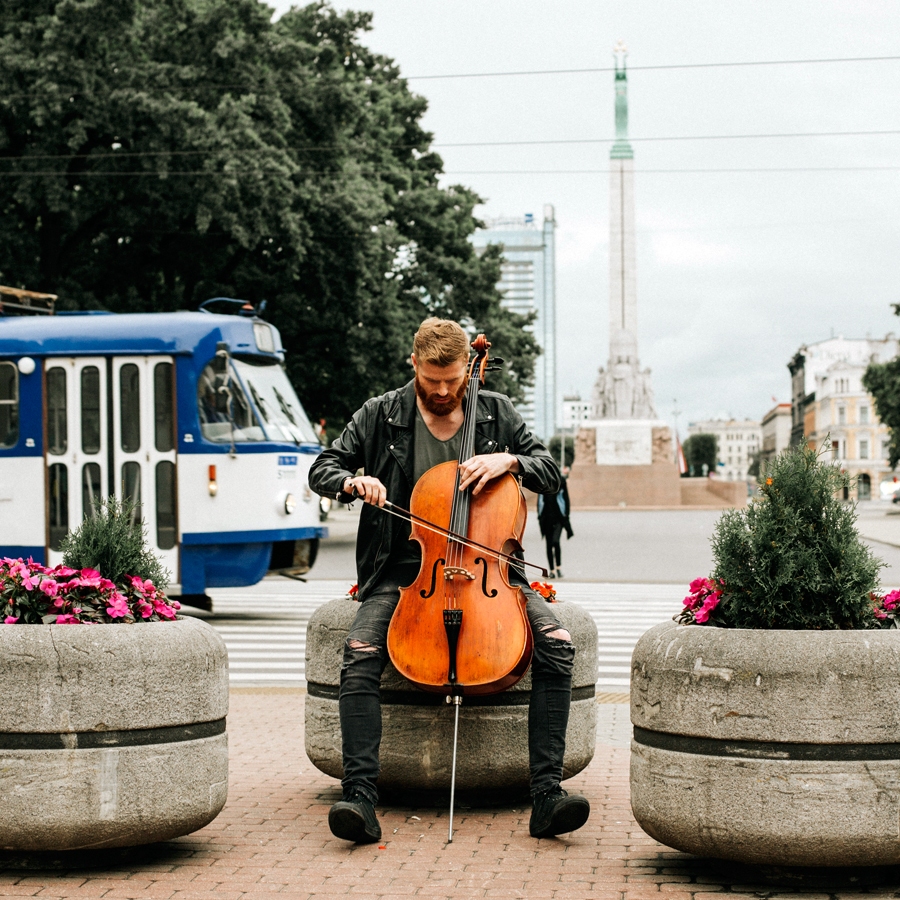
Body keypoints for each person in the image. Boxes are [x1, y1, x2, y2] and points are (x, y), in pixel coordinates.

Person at [309, 318, 590, 845]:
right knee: (359, 652)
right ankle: (360, 796)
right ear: (413, 363)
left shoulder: (496, 411)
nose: (442, 391)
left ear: (468, 369)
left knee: (556, 644)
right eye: (431, 380)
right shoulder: (380, 414)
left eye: (453, 380)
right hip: (406, 570)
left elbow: (550, 470)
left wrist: (511, 460)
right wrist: (352, 481)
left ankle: (547, 794)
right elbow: (322, 467)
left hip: (491, 569)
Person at [537, 470, 573, 578]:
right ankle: (552, 571)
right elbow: (539, 501)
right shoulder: (543, 481)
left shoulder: (561, 481)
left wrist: (566, 515)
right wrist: (540, 516)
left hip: (559, 518)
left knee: (556, 541)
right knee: (548, 545)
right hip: (546, 518)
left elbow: (566, 498)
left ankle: (558, 568)